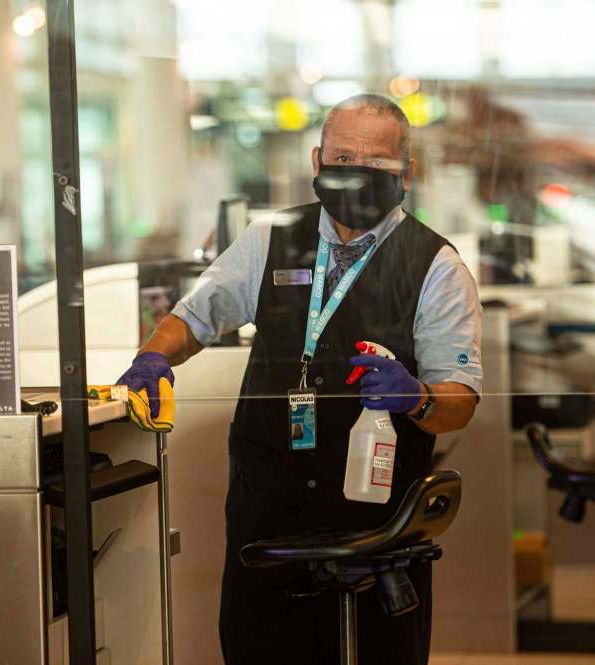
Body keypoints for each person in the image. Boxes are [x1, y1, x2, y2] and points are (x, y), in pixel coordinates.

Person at [117, 94, 482, 664]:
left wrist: (418, 396)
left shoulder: (436, 266)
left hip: (373, 516)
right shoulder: (271, 238)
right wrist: (153, 358)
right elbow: (193, 318)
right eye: (342, 157)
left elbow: (459, 401)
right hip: (268, 504)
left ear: (405, 173)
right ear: (316, 161)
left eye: (374, 162)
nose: (355, 172)